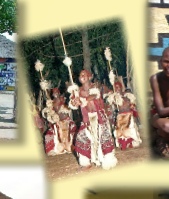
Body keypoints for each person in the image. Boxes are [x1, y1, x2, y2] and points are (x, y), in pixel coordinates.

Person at [68, 69, 118, 170]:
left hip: (99, 117)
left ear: (89, 77)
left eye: (84, 75)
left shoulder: (95, 87)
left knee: (104, 137)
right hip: (87, 119)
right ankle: (85, 163)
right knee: (81, 138)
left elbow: (94, 95)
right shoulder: (77, 91)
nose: (82, 77)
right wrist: (75, 101)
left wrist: (83, 100)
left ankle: (108, 160)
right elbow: (74, 104)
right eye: (80, 75)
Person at [106, 80, 142, 150]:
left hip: (129, 115)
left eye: (118, 87)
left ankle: (130, 142)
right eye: (115, 87)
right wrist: (114, 99)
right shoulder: (113, 97)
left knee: (130, 129)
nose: (117, 89)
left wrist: (132, 105)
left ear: (121, 87)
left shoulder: (128, 95)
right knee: (120, 131)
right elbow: (110, 104)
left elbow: (133, 104)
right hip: (120, 116)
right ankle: (123, 143)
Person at [149, 47, 169, 158]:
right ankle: (159, 138)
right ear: (161, 62)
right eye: (166, 62)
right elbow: (161, 111)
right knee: (166, 126)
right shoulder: (155, 79)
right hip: (160, 118)